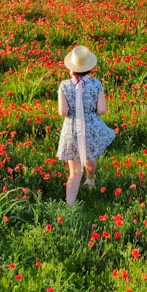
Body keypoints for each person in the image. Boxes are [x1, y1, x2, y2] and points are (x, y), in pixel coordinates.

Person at [56, 45, 115, 205]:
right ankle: (91, 180)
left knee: (74, 173)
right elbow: (102, 109)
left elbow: (63, 111)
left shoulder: (64, 85)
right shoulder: (96, 84)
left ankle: (69, 207)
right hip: (92, 129)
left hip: (72, 129)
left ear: (71, 68)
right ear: (89, 68)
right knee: (91, 155)